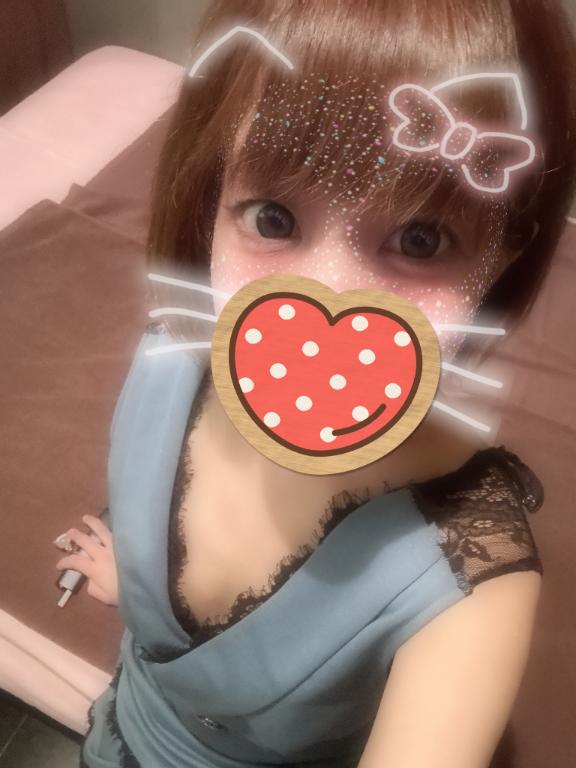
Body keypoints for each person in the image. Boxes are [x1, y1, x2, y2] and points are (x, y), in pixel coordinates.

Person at [55, 1, 576, 766]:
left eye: (420, 239)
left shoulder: (472, 589)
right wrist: (140, 586)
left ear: (499, 258)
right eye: (272, 218)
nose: (323, 304)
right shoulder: (169, 351)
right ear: (211, 203)